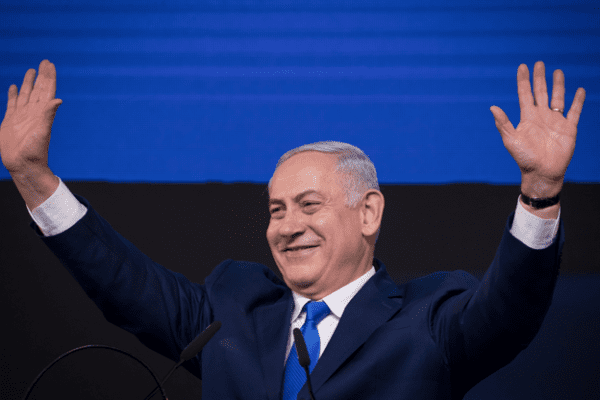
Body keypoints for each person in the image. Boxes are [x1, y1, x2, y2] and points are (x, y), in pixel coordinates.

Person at [1, 60, 586, 399]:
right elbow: (124, 282)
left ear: (369, 213)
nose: (287, 226)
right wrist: (32, 178)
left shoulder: (428, 320)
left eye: (309, 205)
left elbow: (510, 310)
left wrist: (540, 192)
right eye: (276, 209)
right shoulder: (233, 308)